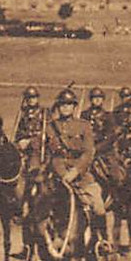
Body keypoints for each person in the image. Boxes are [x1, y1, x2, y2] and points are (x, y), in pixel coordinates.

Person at [43, 89, 109, 245]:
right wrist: (62, 173)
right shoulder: (50, 127)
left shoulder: (84, 126)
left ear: (74, 107)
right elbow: (51, 154)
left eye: (69, 105)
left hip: (81, 175)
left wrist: (75, 171)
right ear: (58, 107)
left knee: (98, 206)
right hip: (57, 174)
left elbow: (88, 153)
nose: (65, 108)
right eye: (62, 105)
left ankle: (102, 240)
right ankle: (35, 244)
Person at [15, 86, 46, 171]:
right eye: (29, 97)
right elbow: (19, 130)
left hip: (38, 142)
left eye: (33, 97)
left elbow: (47, 130)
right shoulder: (23, 113)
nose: (31, 100)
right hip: (24, 141)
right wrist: (20, 140)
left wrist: (31, 140)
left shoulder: (44, 112)